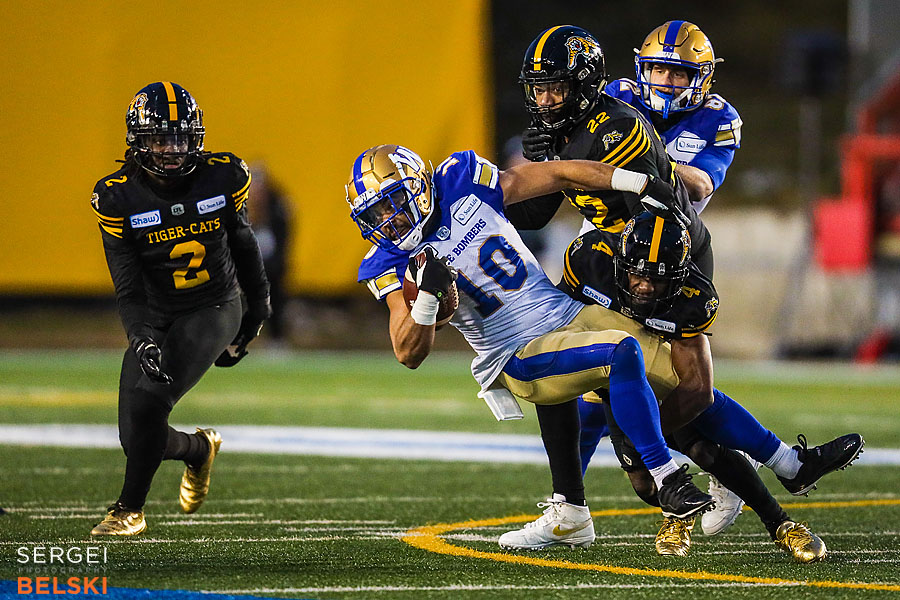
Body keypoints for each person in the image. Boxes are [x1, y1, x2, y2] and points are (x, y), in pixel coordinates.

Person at [347, 144, 714, 551]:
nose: (389, 219)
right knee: (621, 352)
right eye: (376, 213)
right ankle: (668, 480)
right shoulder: (389, 261)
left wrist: (637, 181)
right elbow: (408, 352)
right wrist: (430, 297)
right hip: (514, 351)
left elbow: (557, 173)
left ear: (419, 185)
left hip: (563, 314)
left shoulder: (461, 180)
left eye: (394, 202)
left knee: (682, 376)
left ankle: (747, 463)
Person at [560, 212, 864, 561]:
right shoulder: (590, 257)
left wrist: (647, 437)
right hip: (602, 373)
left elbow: (698, 391)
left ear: (678, 276)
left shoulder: (692, 295)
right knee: (644, 483)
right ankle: (788, 466)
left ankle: (781, 520)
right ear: (620, 262)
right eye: (637, 274)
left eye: (658, 280)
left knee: (701, 447)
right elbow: (554, 314)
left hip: (653, 371)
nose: (644, 286)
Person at [89, 82, 270, 535]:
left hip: (212, 304)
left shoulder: (223, 177)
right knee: (136, 438)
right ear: (138, 142)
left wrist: (256, 313)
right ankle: (198, 449)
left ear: (197, 138)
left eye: (180, 138)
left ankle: (128, 511)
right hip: (154, 312)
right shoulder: (117, 197)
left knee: (151, 404)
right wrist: (140, 335)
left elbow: (245, 248)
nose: (171, 149)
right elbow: (127, 288)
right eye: (159, 138)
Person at [606, 21, 742, 214]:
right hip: (605, 224)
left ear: (700, 78)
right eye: (659, 71)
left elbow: (701, 187)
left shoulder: (718, 117)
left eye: (677, 74)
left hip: (672, 230)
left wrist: (643, 158)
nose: (664, 82)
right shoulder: (619, 98)